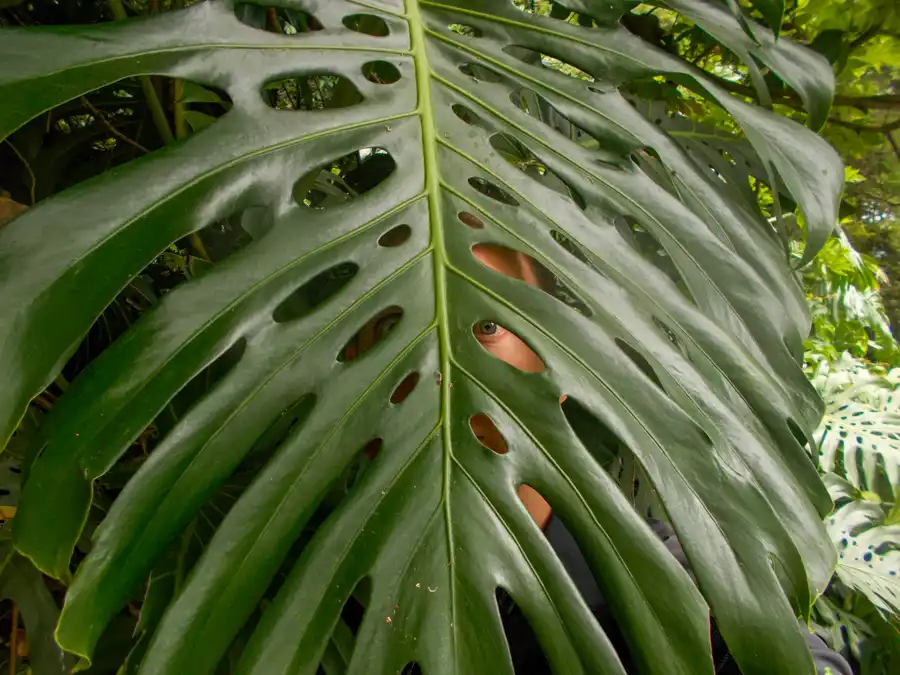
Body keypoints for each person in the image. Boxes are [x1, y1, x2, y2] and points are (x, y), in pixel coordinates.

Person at [344, 242, 852, 674]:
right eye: (391, 324)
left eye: (487, 327)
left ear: (554, 369)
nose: (436, 358)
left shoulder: (662, 582)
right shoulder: (301, 592)